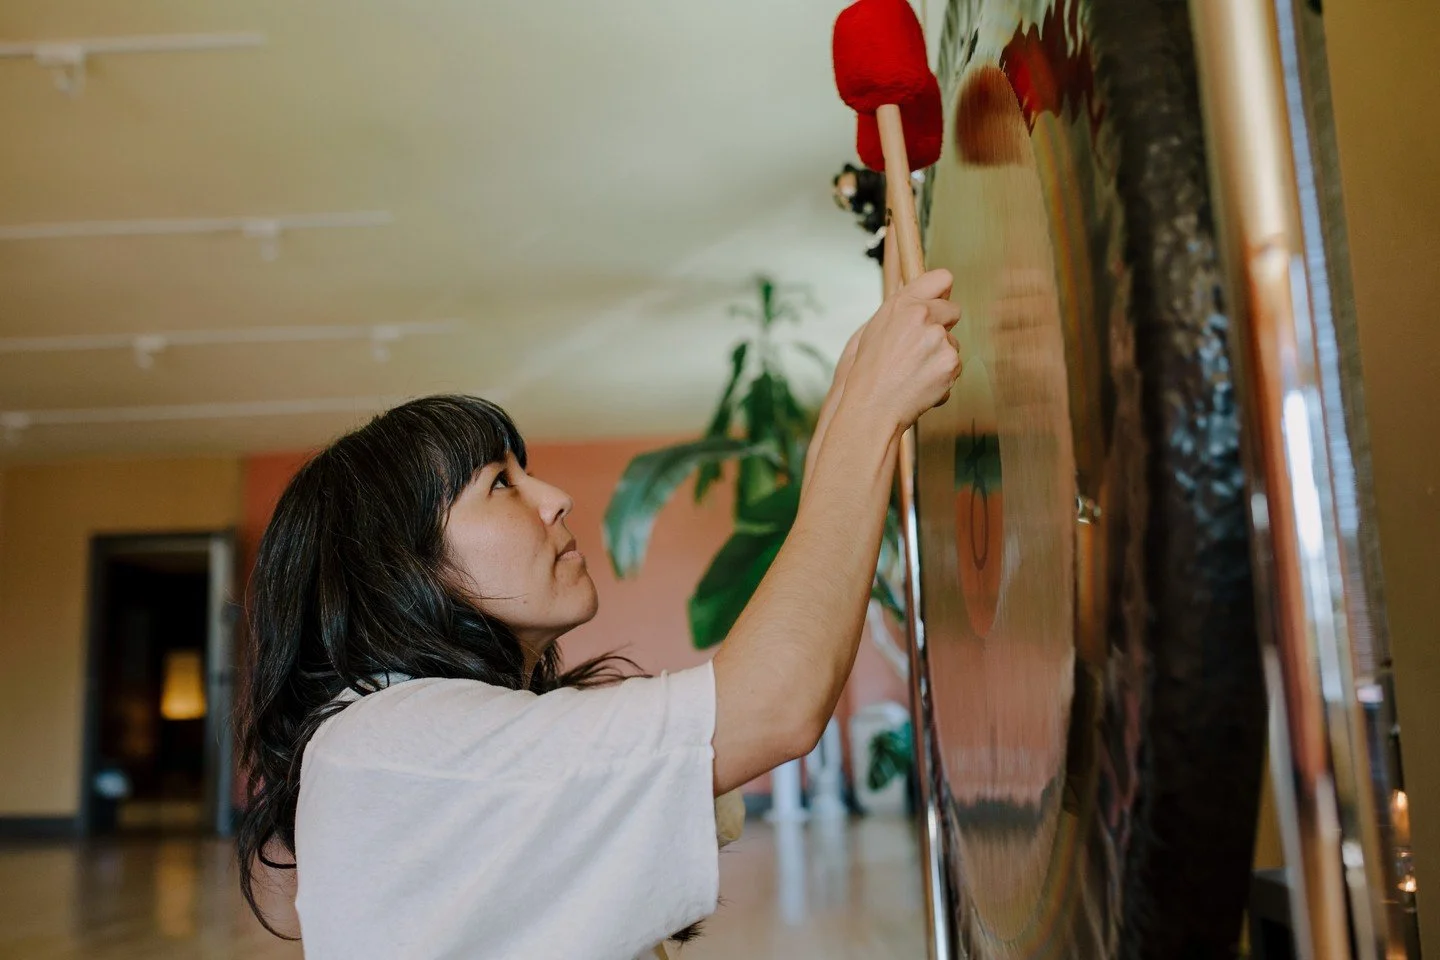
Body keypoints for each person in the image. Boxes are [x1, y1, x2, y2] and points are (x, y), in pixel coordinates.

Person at [235, 269, 962, 959]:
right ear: (402, 568)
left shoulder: (414, 733)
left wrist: (861, 395)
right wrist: (869, 413)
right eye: (499, 485)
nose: (554, 498)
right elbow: (771, 705)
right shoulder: (390, 737)